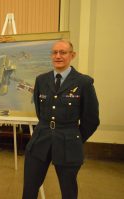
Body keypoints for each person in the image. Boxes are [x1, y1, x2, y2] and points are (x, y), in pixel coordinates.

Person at [22, 39, 100, 199]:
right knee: (29, 189)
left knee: (68, 190)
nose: (58, 56)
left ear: (72, 55)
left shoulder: (83, 82)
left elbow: (91, 119)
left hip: (68, 142)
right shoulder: (41, 80)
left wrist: (75, 138)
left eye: (63, 52)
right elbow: (40, 111)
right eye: (54, 52)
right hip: (40, 140)